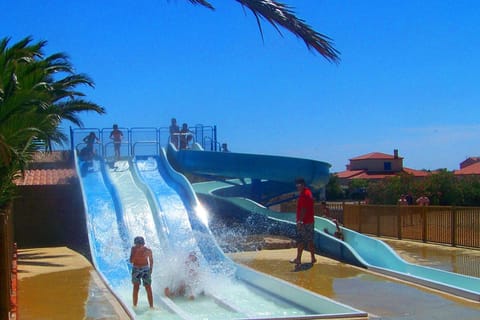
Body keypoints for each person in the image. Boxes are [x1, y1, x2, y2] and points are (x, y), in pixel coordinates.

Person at [290, 178, 316, 268]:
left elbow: (304, 209)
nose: (298, 187)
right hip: (310, 220)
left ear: (303, 185)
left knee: (300, 240)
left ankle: (298, 259)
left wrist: (300, 221)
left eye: (299, 185)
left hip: (304, 222)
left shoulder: (304, 194)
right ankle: (313, 258)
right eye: (297, 186)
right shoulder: (308, 193)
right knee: (310, 239)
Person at [130, 236, 154, 308]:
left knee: (148, 287)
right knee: (136, 287)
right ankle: (135, 305)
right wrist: (136, 253)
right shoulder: (133, 249)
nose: (139, 246)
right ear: (135, 244)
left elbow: (151, 260)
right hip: (136, 268)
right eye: (137, 244)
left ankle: (151, 306)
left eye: (140, 244)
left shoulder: (148, 250)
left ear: (143, 244)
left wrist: (151, 269)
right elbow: (131, 261)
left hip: (145, 269)